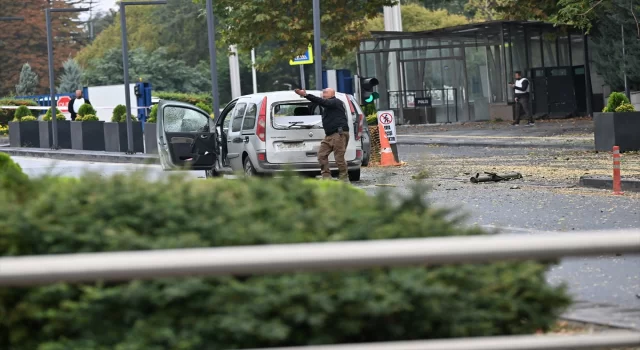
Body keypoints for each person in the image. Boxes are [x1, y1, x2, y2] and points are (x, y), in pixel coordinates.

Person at [294, 88, 350, 182]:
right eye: (323, 92)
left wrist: (306, 95)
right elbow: (320, 102)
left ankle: (344, 178)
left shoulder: (335, 102)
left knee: (339, 157)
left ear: (332, 94)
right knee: (321, 155)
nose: (323, 94)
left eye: (325, 92)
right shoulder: (328, 105)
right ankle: (326, 177)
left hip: (338, 134)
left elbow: (321, 101)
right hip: (330, 135)